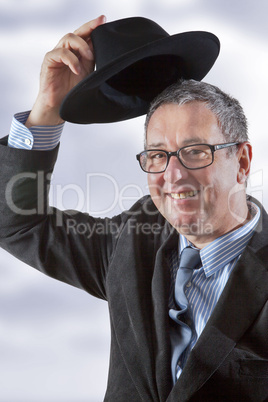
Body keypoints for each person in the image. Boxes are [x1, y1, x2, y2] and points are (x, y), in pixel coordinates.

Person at [0, 15, 267, 402]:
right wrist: (48, 107)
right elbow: (15, 223)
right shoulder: (132, 242)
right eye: (158, 156)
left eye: (194, 151)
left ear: (241, 162)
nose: (173, 176)